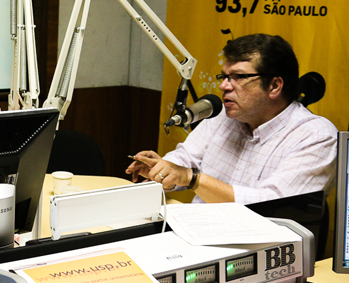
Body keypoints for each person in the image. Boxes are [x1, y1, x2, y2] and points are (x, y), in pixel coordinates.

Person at [126, 33, 337, 204]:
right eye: (224, 77)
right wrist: (162, 168)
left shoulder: (316, 136)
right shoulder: (225, 115)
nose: (223, 86)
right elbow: (186, 159)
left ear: (274, 86)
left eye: (238, 77)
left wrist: (191, 178)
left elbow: (271, 205)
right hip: (198, 234)